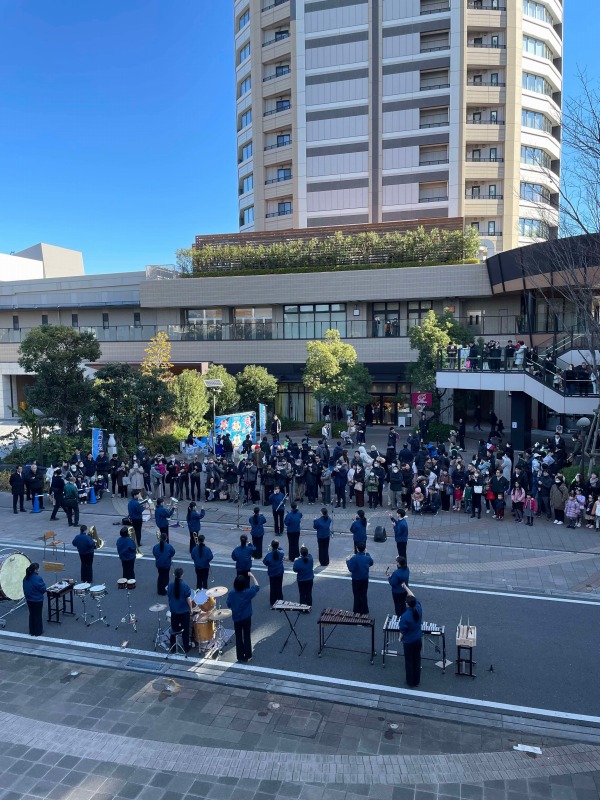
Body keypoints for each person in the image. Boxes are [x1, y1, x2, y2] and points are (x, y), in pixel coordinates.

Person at [226, 571, 260, 662]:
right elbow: (257, 586)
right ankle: (248, 655)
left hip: (236, 618)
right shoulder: (248, 592)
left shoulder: (232, 594)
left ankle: (240, 656)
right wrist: (252, 576)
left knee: (238, 637)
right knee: (246, 636)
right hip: (246, 617)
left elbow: (228, 604)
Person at [399, 585, 422, 688]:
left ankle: (410, 682)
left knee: (409, 662)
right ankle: (417, 680)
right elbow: (412, 596)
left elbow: (402, 630)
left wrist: (400, 638)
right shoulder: (418, 608)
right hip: (418, 640)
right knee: (417, 660)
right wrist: (405, 587)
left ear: (407, 605)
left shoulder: (405, 617)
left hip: (409, 642)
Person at [167, 567, 193, 653]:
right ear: (182, 575)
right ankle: (186, 647)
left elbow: (169, 595)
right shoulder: (185, 585)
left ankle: (172, 646)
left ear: (174, 575)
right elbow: (188, 599)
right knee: (185, 630)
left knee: (174, 628)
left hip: (174, 611)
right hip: (183, 612)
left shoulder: (170, 585)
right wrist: (191, 608)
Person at [346, 541, 373, 615]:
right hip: (365, 578)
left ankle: (357, 610)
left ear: (357, 549)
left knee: (356, 595)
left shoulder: (354, 558)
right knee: (364, 594)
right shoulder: (367, 557)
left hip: (356, 579)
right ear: (364, 549)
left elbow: (351, 569)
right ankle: (364, 610)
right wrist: (367, 553)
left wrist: (347, 561)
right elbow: (371, 562)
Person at [23, 562, 46, 637]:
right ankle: (38, 631)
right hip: (37, 599)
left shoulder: (26, 578)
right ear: (36, 570)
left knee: (32, 614)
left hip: (29, 599)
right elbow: (43, 589)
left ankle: (32, 631)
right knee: (38, 615)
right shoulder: (38, 578)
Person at [263, 539, 285, 606]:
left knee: (273, 587)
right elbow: (281, 549)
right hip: (279, 572)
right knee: (279, 586)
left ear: (272, 546)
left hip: (272, 573)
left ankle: (273, 602)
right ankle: (280, 600)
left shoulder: (269, 555)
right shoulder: (281, 553)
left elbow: (265, 562)